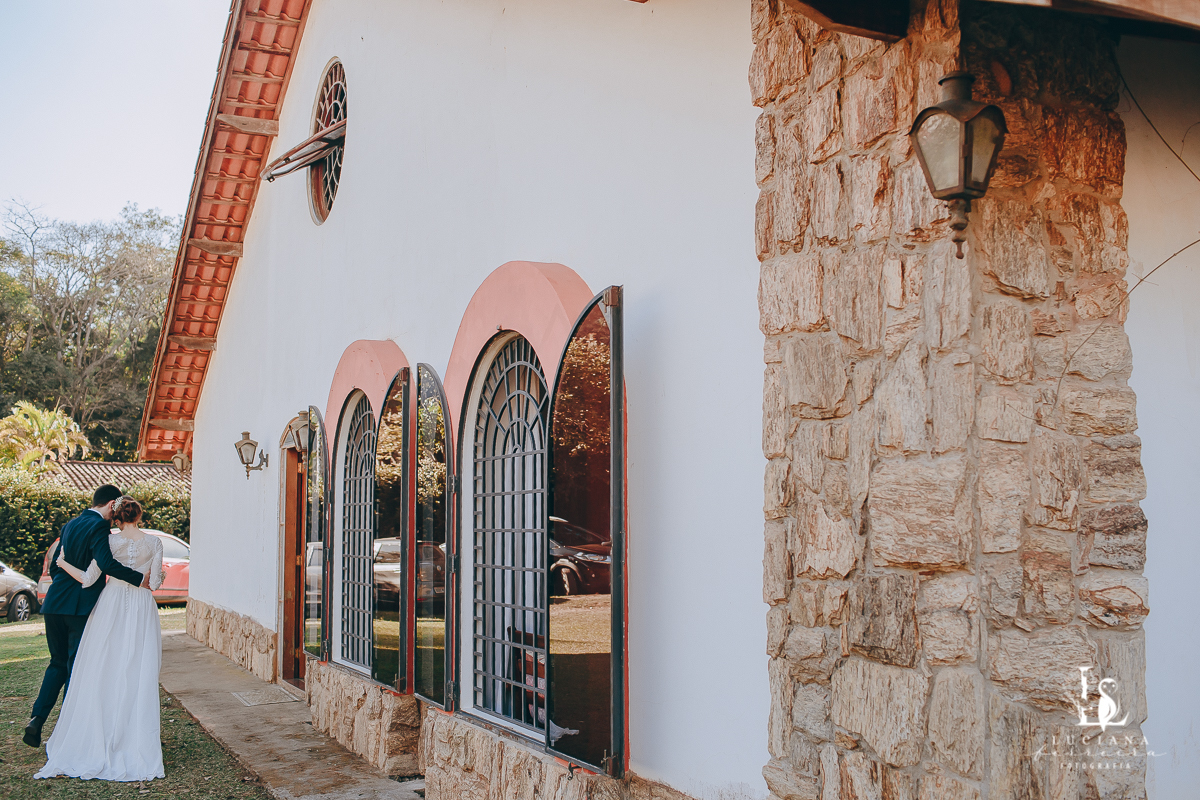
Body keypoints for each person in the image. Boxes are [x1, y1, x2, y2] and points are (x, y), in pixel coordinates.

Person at [35, 496, 165, 782]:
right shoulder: (155, 543)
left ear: (116, 518)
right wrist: (159, 576)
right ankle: (133, 736)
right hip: (142, 608)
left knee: (105, 666)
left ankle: (103, 732)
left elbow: (88, 579)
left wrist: (63, 563)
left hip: (111, 606)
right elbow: (153, 584)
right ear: (140, 516)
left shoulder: (110, 542)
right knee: (137, 669)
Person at [24, 485, 149, 748]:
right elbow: (107, 564)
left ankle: (36, 719)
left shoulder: (70, 524)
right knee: (76, 668)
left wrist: (64, 587)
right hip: (79, 608)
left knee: (56, 663)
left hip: (55, 604)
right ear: (112, 503)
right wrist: (140, 579)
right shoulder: (99, 528)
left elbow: (58, 562)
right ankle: (67, 733)